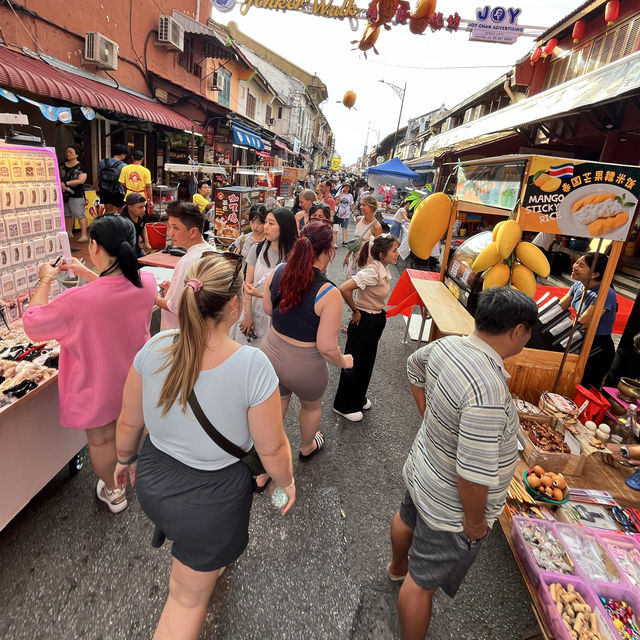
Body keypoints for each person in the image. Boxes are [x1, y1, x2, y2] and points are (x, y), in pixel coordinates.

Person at [114, 254, 295, 640]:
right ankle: (204, 557)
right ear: (234, 304)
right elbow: (273, 449)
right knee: (184, 600)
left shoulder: (158, 345)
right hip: (212, 500)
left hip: (154, 482)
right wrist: (286, 482)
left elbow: (129, 421)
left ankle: (202, 553)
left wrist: (124, 458)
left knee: (191, 560)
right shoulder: (252, 366)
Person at [386, 287, 537, 640]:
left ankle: (395, 568)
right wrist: (473, 523)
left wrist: (429, 418)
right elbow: (471, 473)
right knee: (420, 585)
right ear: (517, 331)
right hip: (449, 505)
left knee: (407, 516)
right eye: (529, 332)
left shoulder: (449, 346)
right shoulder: (487, 392)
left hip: (424, 470)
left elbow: (414, 367)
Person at [22, 215, 157, 513]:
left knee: (101, 441)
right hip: (135, 377)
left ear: (94, 246)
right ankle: (130, 472)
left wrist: (45, 279)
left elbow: (32, 323)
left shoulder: (77, 301)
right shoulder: (146, 282)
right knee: (129, 428)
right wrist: (87, 271)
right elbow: (115, 290)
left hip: (94, 384)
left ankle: (115, 492)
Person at [261, 222, 353, 460]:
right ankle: (307, 446)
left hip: (270, 353)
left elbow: (268, 310)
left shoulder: (279, 270)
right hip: (305, 366)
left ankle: (267, 455)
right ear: (329, 250)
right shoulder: (328, 293)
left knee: (277, 403)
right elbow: (326, 347)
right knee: (311, 407)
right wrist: (344, 361)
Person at [333, 235, 399, 422]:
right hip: (364, 320)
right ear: (382, 253)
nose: (397, 254)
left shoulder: (381, 268)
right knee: (354, 362)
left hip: (374, 319)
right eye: (394, 250)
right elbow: (344, 288)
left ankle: (358, 397)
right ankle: (342, 405)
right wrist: (354, 310)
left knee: (366, 362)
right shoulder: (372, 271)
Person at [232, 208, 297, 347]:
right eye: (266, 222)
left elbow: (292, 292)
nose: (265, 227)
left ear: (284, 226)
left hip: (279, 317)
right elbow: (247, 284)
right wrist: (247, 315)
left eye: (271, 223)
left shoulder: (294, 256)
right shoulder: (257, 249)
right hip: (253, 310)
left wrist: (261, 294)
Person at [558, 252, 618, 389]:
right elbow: (560, 306)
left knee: (584, 387)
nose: (574, 266)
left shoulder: (606, 294)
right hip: (579, 340)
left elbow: (583, 323)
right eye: (576, 262)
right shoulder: (578, 285)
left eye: (581, 265)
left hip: (597, 347)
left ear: (595, 274)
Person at [156, 202, 215, 331]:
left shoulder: (187, 262)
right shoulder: (211, 251)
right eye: (170, 227)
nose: (170, 233)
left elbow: (175, 306)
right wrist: (173, 287)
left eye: (176, 228)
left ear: (193, 232)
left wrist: (154, 298)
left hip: (180, 331)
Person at [343, 195, 383, 277]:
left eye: (364, 205)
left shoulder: (376, 227)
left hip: (365, 262)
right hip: (353, 258)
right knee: (349, 282)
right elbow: (356, 241)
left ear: (371, 207)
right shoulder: (359, 219)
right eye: (361, 205)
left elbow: (378, 249)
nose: (361, 207)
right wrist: (347, 256)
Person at [60, 145, 88, 241]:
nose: (68, 154)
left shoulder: (81, 166)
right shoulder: (62, 165)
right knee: (67, 214)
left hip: (76, 194)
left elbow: (81, 180)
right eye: (67, 152)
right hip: (64, 194)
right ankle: (69, 232)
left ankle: (84, 234)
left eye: (70, 152)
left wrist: (66, 183)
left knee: (79, 214)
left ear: (76, 154)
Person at [97, 144, 128, 214]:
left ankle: (105, 224)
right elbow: (124, 183)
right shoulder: (124, 166)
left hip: (104, 191)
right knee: (117, 212)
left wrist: (97, 190)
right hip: (118, 192)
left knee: (107, 211)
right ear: (122, 155)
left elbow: (98, 178)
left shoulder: (102, 162)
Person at [122, 193, 151, 258]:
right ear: (129, 207)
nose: (143, 210)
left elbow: (142, 227)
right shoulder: (122, 221)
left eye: (144, 206)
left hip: (136, 247)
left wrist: (146, 242)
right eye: (140, 207)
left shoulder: (142, 215)